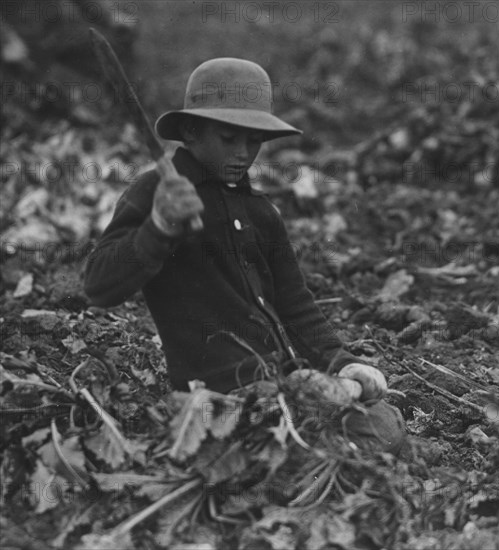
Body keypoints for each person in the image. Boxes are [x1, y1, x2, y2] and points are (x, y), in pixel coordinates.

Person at [84, 58, 405, 454]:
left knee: (385, 428)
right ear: (191, 130)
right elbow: (98, 286)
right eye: (228, 138)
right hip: (213, 400)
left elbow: (295, 303)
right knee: (323, 445)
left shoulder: (258, 211)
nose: (243, 153)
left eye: (253, 141)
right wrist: (160, 228)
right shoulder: (157, 193)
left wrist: (341, 364)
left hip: (280, 381)